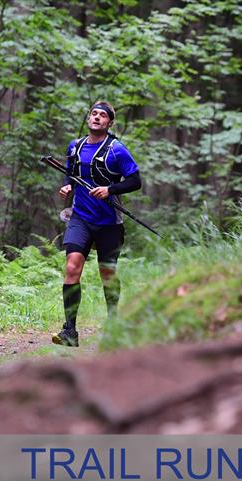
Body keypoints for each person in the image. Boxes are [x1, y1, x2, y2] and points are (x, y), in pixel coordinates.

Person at [52, 101, 142, 347]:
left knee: (107, 273)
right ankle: (70, 331)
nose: (97, 117)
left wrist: (109, 189)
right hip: (80, 217)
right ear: (88, 118)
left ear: (109, 122)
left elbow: (135, 181)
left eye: (103, 115)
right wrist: (68, 185)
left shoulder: (117, 150)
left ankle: (113, 324)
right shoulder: (76, 146)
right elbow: (71, 173)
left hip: (109, 222)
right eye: (94, 113)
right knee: (72, 267)